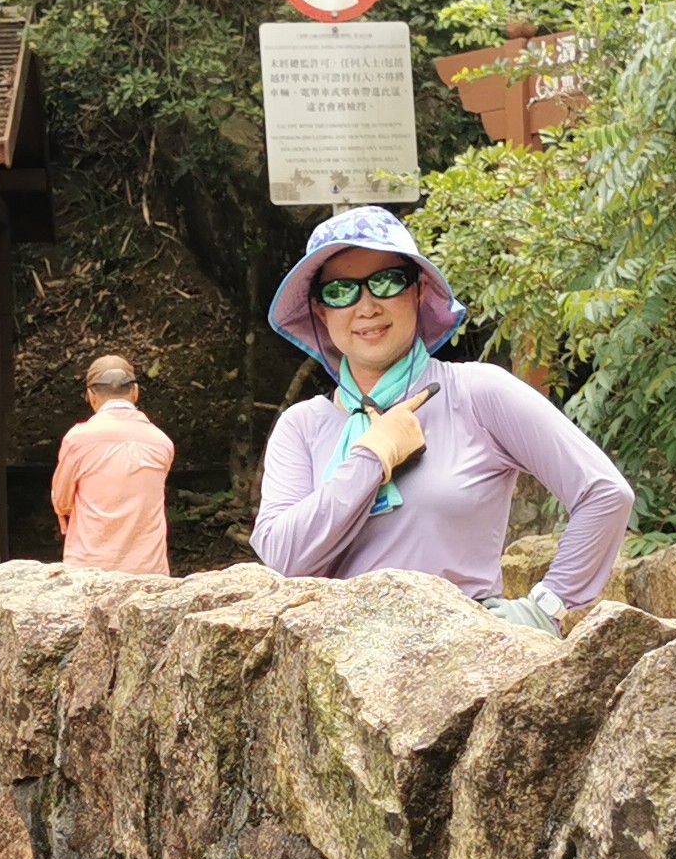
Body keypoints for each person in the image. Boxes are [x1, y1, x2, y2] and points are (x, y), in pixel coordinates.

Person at [250, 206, 631, 631]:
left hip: (465, 657)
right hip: (338, 661)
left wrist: (546, 607)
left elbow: (604, 492)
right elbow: (283, 560)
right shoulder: (301, 426)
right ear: (321, 311)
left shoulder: (477, 393)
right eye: (340, 291)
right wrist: (372, 456)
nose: (366, 306)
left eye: (387, 281)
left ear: (418, 291)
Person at [50, 353, 175, 574]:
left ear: (91, 395)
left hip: (89, 571)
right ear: (135, 392)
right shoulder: (161, 442)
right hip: (148, 572)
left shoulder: (78, 440)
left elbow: (61, 502)